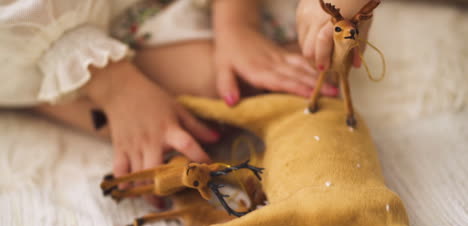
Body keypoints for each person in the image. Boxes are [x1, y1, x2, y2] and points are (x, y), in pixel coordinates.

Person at [0, 0, 371, 180]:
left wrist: (237, 25)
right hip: (31, 32)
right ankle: (50, 96)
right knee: (217, 93)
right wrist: (113, 85)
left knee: (311, 63)